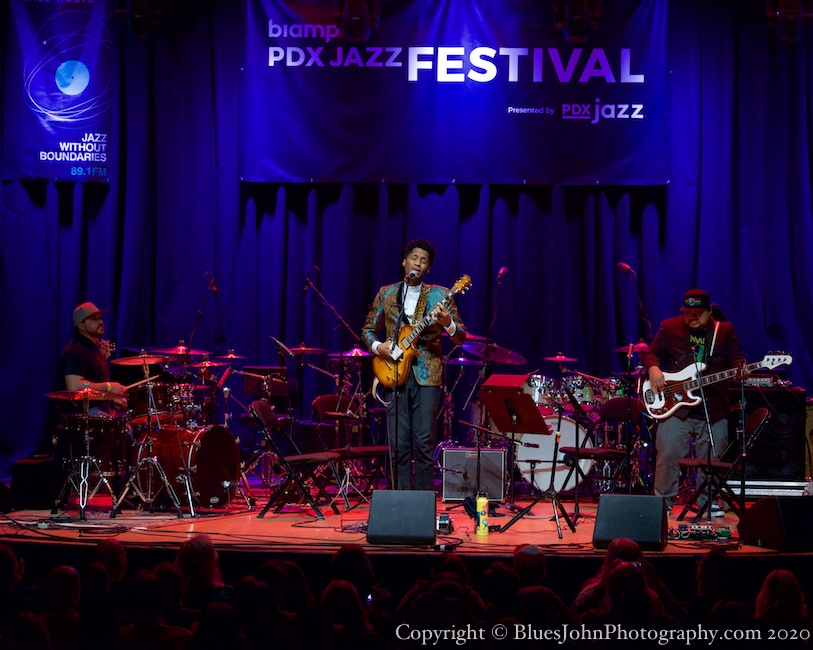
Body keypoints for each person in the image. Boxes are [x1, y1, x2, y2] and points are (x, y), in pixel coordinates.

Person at [361, 239, 466, 491]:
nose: (418, 263)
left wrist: (448, 323)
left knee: (424, 441)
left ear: (428, 268)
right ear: (404, 262)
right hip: (394, 372)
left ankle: (422, 505)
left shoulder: (441, 295)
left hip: (426, 374)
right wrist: (379, 347)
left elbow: (460, 335)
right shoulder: (387, 293)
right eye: (415, 258)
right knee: (398, 443)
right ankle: (399, 503)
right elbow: (367, 330)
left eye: (424, 261)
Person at [642, 289, 746, 515]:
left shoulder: (724, 330)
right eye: (688, 313)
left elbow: (737, 358)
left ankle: (708, 501)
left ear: (710, 312)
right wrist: (653, 369)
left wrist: (741, 368)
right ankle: (663, 503)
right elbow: (650, 354)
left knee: (713, 456)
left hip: (713, 406)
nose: (693, 317)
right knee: (668, 453)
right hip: (675, 406)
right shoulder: (670, 327)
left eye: (698, 313)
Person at [59, 301, 127, 412]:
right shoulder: (75, 351)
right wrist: (109, 387)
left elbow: (94, 385)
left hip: (101, 408)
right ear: (81, 326)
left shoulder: (95, 348)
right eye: (94, 319)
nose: (101, 322)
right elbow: (74, 386)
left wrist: (111, 399)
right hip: (84, 414)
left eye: (100, 318)